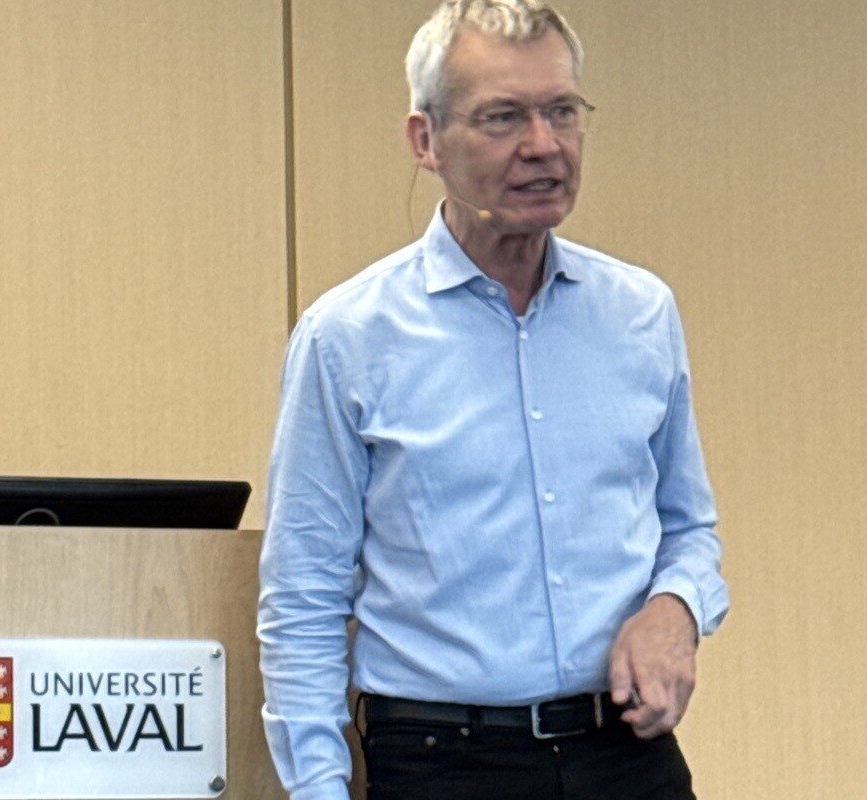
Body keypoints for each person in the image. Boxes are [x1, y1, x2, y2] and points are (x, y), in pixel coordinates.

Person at [257, 2, 729, 798]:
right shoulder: (348, 338)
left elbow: (690, 530)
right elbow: (303, 600)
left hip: (626, 756)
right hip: (443, 760)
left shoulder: (641, 313)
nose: (542, 145)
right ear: (426, 141)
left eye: (562, 112)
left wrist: (676, 609)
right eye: (504, 117)